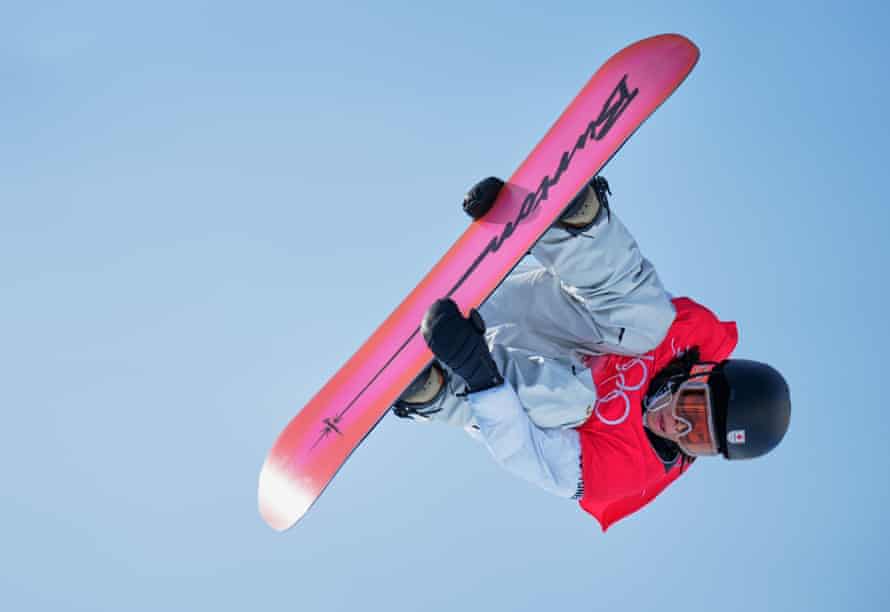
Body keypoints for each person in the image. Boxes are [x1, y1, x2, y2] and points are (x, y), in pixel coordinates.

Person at [392, 176, 792, 531]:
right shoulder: (693, 334)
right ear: (701, 374)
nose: (676, 426)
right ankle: (571, 225)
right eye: (691, 410)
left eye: (697, 441)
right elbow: (627, 294)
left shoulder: (631, 469)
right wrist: (521, 227)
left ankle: (437, 388)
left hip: (482, 360)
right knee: (648, 324)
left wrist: (477, 376)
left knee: (575, 401)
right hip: (523, 304)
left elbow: (527, 454)